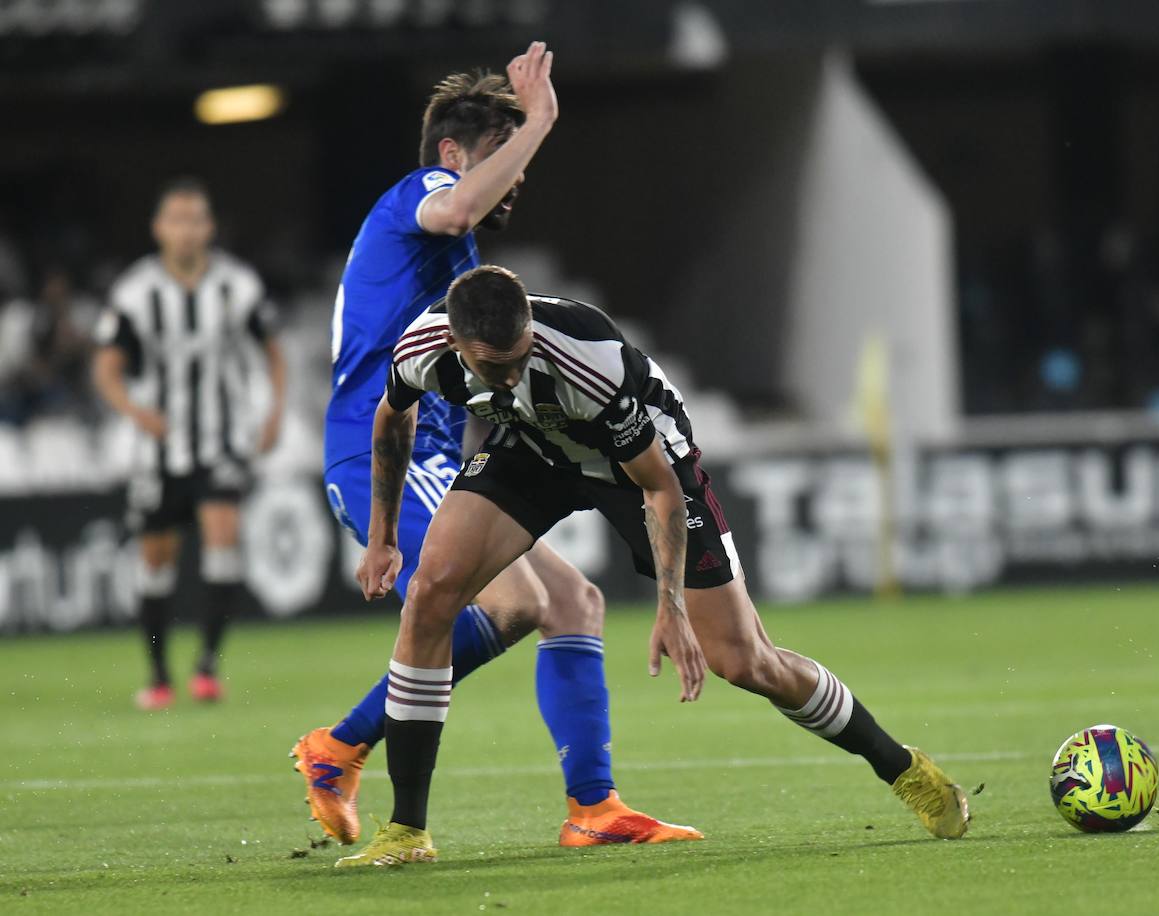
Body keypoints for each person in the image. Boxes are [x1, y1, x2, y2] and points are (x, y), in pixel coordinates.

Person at [336, 266, 971, 867]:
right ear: (458, 340)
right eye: (492, 366)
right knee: (430, 595)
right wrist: (383, 536)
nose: (507, 376)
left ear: (531, 326)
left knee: (744, 661)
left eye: (519, 358)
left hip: (641, 466)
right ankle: (408, 830)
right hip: (531, 449)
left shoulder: (588, 362)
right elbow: (394, 416)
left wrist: (669, 608)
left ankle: (903, 767)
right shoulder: (421, 345)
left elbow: (658, 488)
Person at [294, 43, 697, 848]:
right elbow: (453, 210)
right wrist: (540, 116)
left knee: (573, 602)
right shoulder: (425, 195)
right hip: (379, 449)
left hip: (437, 454)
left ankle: (594, 809)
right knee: (514, 603)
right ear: (453, 155)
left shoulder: (456, 254)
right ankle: (338, 748)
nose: (518, 177)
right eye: (502, 158)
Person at [91, 178, 287, 709]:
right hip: (161, 450)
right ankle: (158, 675)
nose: (185, 229)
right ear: (159, 228)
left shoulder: (237, 284)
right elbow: (105, 367)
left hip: (220, 442)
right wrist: (135, 412)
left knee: (224, 537)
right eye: (175, 219)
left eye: (195, 219)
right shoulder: (135, 292)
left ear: (209, 227)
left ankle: (207, 666)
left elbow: (272, 350)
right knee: (156, 559)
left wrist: (272, 413)